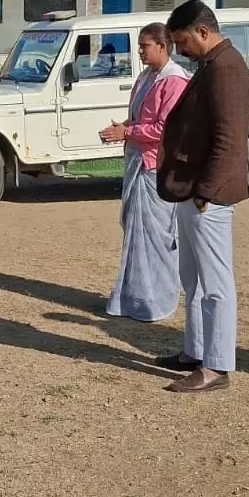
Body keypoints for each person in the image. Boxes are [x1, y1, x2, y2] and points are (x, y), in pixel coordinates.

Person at [152, 0, 249, 394]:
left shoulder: (226, 68)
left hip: (208, 195)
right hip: (193, 190)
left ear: (203, 32)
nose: (179, 50)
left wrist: (206, 192)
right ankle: (195, 352)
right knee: (193, 280)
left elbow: (230, 140)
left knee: (214, 284)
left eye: (182, 41)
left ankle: (216, 366)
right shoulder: (213, 64)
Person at [98, 23, 191, 322]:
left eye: (144, 45)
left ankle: (157, 300)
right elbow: (140, 118)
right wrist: (121, 128)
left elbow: (165, 129)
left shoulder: (174, 81)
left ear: (162, 46)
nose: (139, 51)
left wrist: (127, 132)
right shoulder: (146, 76)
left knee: (155, 236)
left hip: (154, 167)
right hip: (137, 160)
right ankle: (133, 298)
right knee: (136, 232)